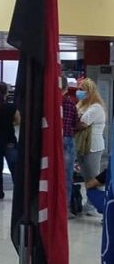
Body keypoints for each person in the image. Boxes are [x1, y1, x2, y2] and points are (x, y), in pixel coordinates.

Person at [76, 77, 107, 216]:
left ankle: (98, 206)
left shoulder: (96, 107)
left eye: (82, 90)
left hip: (93, 147)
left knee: (94, 178)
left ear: (89, 91)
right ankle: (90, 203)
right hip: (83, 147)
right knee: (86, 176)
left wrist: (73, 121)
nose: (79, 92)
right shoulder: (82, 105)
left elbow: (82, 123)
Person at [61, 75, 78, 217]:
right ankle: (65, 209)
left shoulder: (48, 102)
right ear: (66, 88)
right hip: (67, 140)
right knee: (66, 175)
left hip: (51, 141)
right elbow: (75, 123)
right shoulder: (70, 104)